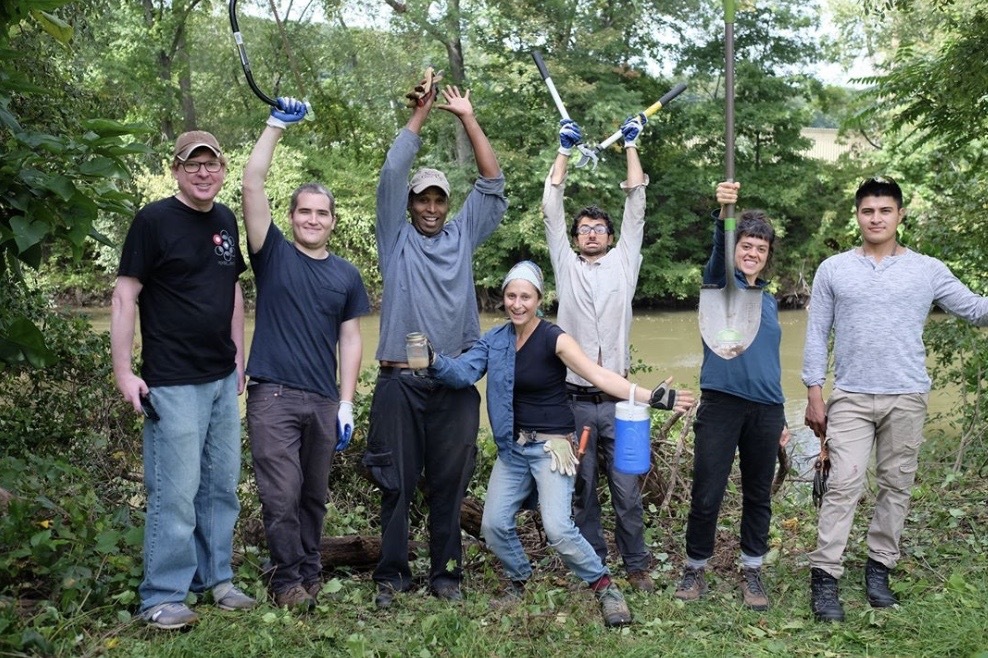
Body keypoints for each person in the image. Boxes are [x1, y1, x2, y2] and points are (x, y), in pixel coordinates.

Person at [429, 261, 695, 626]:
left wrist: (650, 397)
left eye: (525, 296)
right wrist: (432, 360)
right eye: (510, 295)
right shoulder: (495, 340)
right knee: (492, 525)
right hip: (514, 449)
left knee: (558, 527)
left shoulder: (555, 338)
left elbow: (598, 374)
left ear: (539, 299)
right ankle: (520, 577)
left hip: (553, 448)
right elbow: (462, 373)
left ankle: (605, 587)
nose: (517, 304)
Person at [802, 176, 988, 622]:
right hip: (850, 393)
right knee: (843, 484)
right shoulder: (834, 269)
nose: (876, 218)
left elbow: (977, 311)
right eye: (868, 211)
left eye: (885, 210)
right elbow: (816, 332)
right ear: (858, 216)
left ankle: (879, 568)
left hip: (906, 395)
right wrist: (814, 391)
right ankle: (825, 577)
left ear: (900, 215)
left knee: (896, 486)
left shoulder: (927, 270)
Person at [363, 79, 508, 609]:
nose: (428, 206)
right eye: (421, 197)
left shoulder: (463, 235)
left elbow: (492, 182)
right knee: (396, 485)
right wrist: (422, 113)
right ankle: (392, 576)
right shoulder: (393, 236)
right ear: (409, 203)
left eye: (437, 198)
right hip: (400, 382)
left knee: (449, 486)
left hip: (452, 382)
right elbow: (390, 172)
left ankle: (446, 575)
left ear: (447, 205)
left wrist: (467, 117)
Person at [110, 130, 255, 630]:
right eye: (192, 164)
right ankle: (162, 596)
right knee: (174, 491)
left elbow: (232, 289)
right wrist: (124, 370)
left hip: (220, 378)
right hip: (171, 381)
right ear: (176, 169)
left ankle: (216, 579)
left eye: (211, 164)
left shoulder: (225, 219)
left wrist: (239, 355)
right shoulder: (153, 221)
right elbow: (125, 295)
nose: (203, 173)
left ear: (221, 168)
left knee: (220, 486)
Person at [241, 98, 371, 610]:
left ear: (333, 222)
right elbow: (253, 184)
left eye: (322, 213)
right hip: (272, 395)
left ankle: (310, 571)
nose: (313, 219)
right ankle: (285, 581)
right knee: (281, 493)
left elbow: (352, 339)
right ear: (292, 216)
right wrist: (275, 126)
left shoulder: (346, 275)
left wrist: (346, 402)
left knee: (313, 495)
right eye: (304, 211)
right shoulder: (271, 253)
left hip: (322, 399)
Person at [543, 115, 656, 591]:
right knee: (582, 489)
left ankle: (637, 564)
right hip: (574, 403)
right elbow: (551, 206)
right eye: (584, 228)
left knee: (628, 490)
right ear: (575, 237)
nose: (591, 233)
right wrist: (564, 152)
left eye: (599, 228)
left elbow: (637, 206)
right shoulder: (566, 266)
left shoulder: (625, 263)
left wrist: (631, 146)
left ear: (610, 237)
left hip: (622, 402)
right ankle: (595, 569)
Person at [673, 181, 790, 611]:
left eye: (761, 247)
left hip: (767, 408)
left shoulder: (771, 301)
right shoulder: (720, 285)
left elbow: (771, 362)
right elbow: (719, 254)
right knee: (708, 491)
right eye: (746, 244)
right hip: (721, 404)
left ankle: (752, 569)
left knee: (758, 493)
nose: (752, 252)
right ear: (736, 247)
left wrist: (781, 420)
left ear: (767, 254)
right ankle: (695, 566)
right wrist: (725, 213)